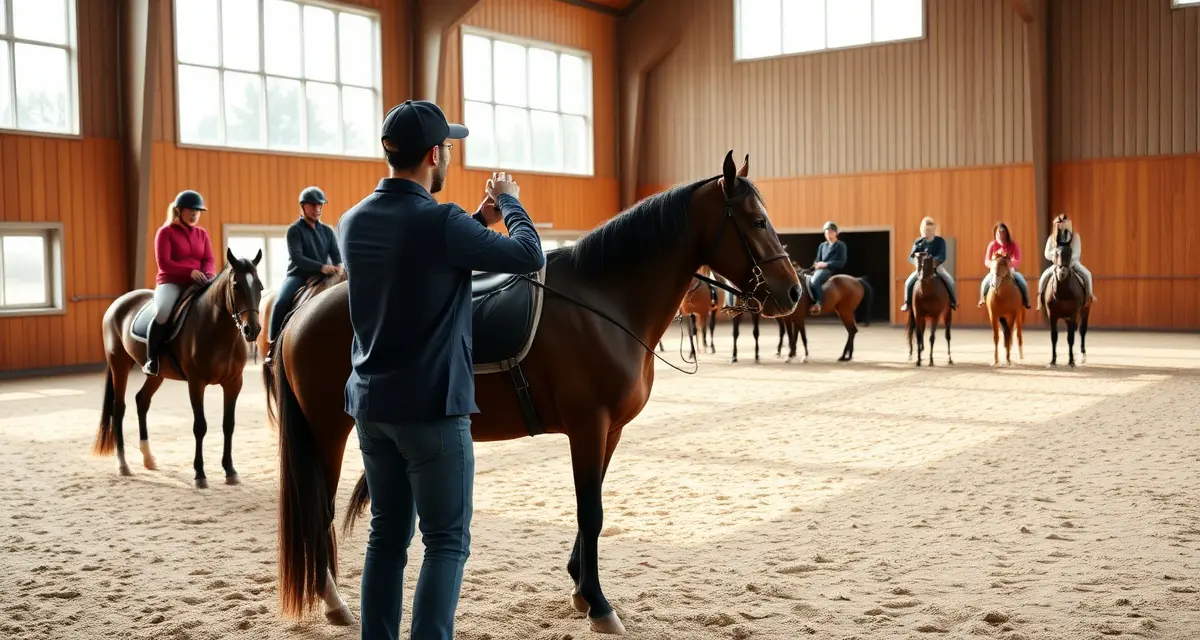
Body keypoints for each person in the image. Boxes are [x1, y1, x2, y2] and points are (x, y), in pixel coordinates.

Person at [337, 99, 545, 640]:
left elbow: (419, 256)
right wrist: (510, 204)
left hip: (372, 407)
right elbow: (529, 255)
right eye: (448, 146)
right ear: (434, 154)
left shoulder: (352, 220)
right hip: (430, 409)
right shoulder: (440, 221)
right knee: (446, 541)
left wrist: (478, 222)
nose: (449, 153)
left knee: (387, 536)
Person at [263, 186, 343, 363]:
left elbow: (337, 256)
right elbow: (298, 258)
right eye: (313, 205)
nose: (317, 209)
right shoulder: (295, 230)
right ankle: (272, 346)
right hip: (298, 275)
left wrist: (338, 266)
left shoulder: (328, 231)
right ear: (303, 207)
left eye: (320, 205)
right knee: (280, 302)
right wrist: (322, 267)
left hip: (324, 277)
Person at [144, 190, 215, 376]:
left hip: (200, 281)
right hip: (172, 281)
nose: (195, 214)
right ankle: (152, 359)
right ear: (178, 211)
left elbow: (209, 259)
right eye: (191, 210)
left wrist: (207, 274)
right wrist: (189, 272)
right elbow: (164, 263)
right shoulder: (165, 232)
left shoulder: (202, 234)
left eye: (198, 211)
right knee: (162, 312)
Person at [1036, 213, 1095, 311]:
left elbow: (1077, 252)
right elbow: (1047, 253)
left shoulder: (1075, 236)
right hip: (1057, 264)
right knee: (1043, 277)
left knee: (1087, 274)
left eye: (1063, 223)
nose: (1061, 225)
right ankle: (1040, 299)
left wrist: (1068, 260)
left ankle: (1089, 296)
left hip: (1072, 263)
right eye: (1059, 223)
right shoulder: (1052, 238)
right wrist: (1054, 255)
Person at [900, 216, 958, 312]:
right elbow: (911, 256)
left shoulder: (940, 241)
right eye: (925, 230)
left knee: (950, 280)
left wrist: (933, 261)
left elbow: (942, 255)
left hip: (936, 267)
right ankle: (907, 303)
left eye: (929, 230)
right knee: (908, 283)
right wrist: (915, 262)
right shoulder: (918, 242)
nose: (927, 232)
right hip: (921, 268)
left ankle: (953, 301)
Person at [978, 222, 1030, 309]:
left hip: (1009, 271)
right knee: (985, 282)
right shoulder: (992, 245)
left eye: (1003, 232)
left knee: (1022, 282)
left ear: (1006, 233)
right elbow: (987, 260)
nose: (1001, 235)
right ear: (996, 233)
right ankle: (982, 299)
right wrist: (994, 264)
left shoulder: (1013, 245)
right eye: (999, 233)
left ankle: (1026, 300)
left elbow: (1018, 259)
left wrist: (1010, 263)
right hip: (994, 272)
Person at [808, 221, 846, 314]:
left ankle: (818, 303)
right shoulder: (822, 245)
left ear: (836, 233)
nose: (828, 234)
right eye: (826, 232)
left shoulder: (841, 245)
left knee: (814, 281)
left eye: (830, 232)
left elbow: (841, 262)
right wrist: (816, 264)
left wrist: (826, 264)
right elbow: (817, 259)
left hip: (828, 269)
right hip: (819, 269)